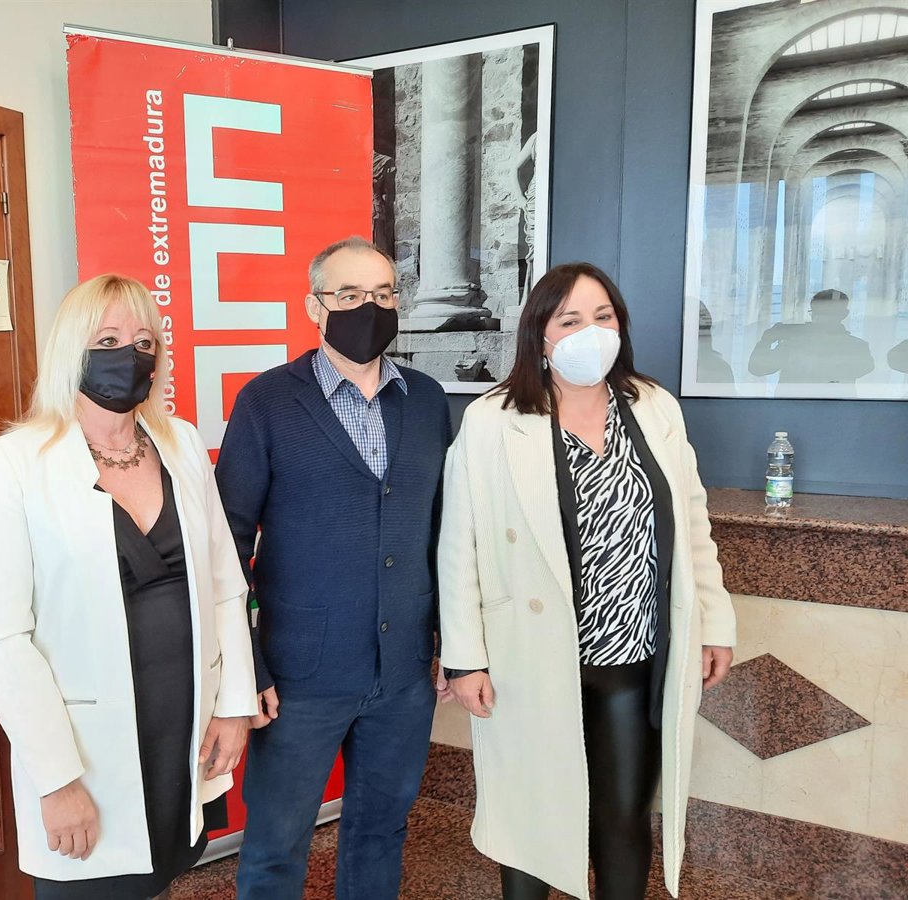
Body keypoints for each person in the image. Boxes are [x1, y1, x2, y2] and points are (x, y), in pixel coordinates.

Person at [440, 262, 736, 900]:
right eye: (570, 320)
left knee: (623, 819)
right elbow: (459, 545)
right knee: (532, 822)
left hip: (632, 659)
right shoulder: (492, 419)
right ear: (539, 335)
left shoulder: (653, 407)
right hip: (531, 661)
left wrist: (714, 621)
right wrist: (465, 658)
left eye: (603, 317)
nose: (590, 333)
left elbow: (693, 523)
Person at [0, 274, 257, 900]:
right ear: (71, 350)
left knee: (161, 876)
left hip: (182, 727)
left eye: (145, 341)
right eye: (108, 340)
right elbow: (2, 640)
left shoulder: (180, 442)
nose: (131, 354)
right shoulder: (18, 461)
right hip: (84, 748)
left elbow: (225, 586)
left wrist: (233, 704)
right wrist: (57, 779)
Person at [216, 236, 452, 900]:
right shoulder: (266, 402)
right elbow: (227, 545)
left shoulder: (427, 401)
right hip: (299, 677)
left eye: (382, 294)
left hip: (403, 674)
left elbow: (448, 534)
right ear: (313, 307)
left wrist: (453, 643)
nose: (368, 308)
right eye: (348, 295)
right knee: (276, 844)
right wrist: (249, 668)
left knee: (380, 833)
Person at [748, 288, 874, 386]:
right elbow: (757, 369)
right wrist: (766, 341)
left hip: (817, 409)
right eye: (818, 312)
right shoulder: (794, 344)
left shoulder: (857, 348)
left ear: (844, 314)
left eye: (827, 313)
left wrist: (766, 341)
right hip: (798, 409)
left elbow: (861, 369)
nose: (820, 318)